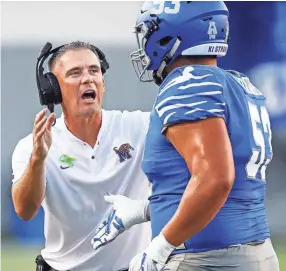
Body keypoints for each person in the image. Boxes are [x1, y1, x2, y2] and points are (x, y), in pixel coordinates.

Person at [91, 2, 280, 271]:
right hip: (254, 253)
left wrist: (160, 247)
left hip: (206, 259)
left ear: (170, 34)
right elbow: (227, 188)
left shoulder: (187, 83)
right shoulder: (238, 83)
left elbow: (215, 179)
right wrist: (144, 210)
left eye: (149, 31)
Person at [11, 41, 151, 271]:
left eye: (94, 70)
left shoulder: (140, 127)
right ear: (53, 89)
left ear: (103, 83)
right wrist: (38, 158)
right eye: (75, 73)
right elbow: (25, 210)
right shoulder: (31, 146)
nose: (88, 78)